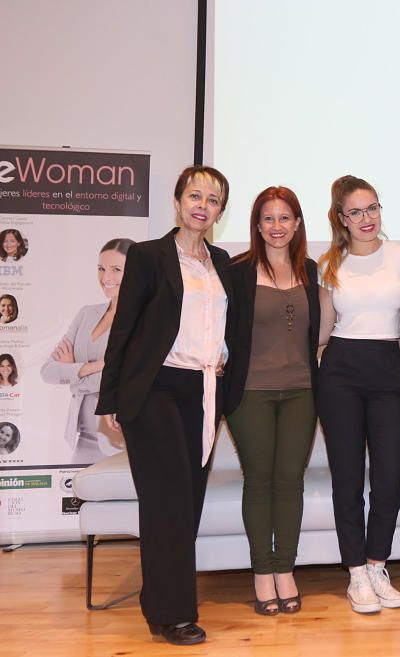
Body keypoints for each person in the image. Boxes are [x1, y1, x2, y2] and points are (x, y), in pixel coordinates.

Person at [97, 165, 233, 646]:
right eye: (194, 195)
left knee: (185, 503)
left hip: (203, 393)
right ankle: (175, 615)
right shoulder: (151, 257)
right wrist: (109, 397)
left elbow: (226, 333)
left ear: (220, 210)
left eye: (213, 199)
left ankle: (157, 604)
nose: (202, 204)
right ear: (178, 202)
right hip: (154, 389)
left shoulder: (221, 262)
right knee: (169, 502)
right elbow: (125, 328)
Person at [315, 175, 400, 615]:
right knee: (348, 476)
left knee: (390, 473)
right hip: (339, 372)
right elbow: (321, 330)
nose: (366, 218)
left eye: (372, 208)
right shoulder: (328, 264)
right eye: (355, 211)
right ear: (341, 218)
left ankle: (378, 564)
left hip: (389, 370)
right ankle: (356, 571)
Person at [223, 186, 322, 616]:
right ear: (257, 224)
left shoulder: (312, 270)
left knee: (290, 480)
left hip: (303, 391)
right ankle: (263, 572)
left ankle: (286, 569)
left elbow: (318, 334)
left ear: (298, 223)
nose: (277, 227)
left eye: (285, 218)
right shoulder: (238, 271)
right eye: (269, 218)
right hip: (250, 394)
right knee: (259, 479)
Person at [40, 239, 134, 463]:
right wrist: (93, 367)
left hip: (120, 440)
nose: (105, 278)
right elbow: (47, 371)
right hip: (81, 437)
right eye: (101, 269)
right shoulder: (86, 314)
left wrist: (74, 375)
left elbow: (124, 381)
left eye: (116, 270)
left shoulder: (140, 321)